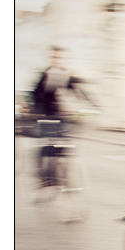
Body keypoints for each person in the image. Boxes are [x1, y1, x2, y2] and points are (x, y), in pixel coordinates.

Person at [32, 46, 95, 182]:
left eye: (60, 58)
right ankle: (43, 176)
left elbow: (79, 92)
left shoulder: (66, 76)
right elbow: (35, 95)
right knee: (47, 147)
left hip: (62, 117)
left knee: (66, 145)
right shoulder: (45, 76)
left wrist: (94, 105)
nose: (58, 61)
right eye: (55, 57)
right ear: (50, 59)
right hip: (47, 116)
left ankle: (60, 175)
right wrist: (38, 111)